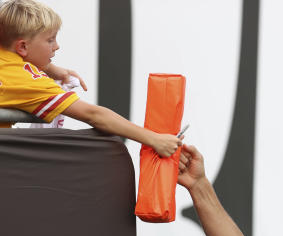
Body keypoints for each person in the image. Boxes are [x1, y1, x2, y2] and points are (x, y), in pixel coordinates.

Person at [0, 0, 181, 157]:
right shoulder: (26, 80)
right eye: (50, 40)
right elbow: (93, 115)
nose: (57, 46)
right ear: (22, 46)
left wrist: (52, 69)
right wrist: (154, 139)